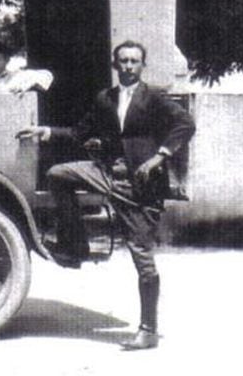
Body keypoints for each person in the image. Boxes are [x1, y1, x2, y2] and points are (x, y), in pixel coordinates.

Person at [17, 40, 195, 351]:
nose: (128, 66)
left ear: (142, 65)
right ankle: (75, 246)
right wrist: (45, 132)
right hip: (105, 172)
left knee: (142, 258)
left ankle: (148, 330)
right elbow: (78, 133)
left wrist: (159, 157)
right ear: (115, 65)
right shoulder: (105, 98)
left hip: (139, 184)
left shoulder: (153, 98)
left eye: (134, 61)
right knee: (58, 174)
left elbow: (185, 124)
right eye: (123, 61)